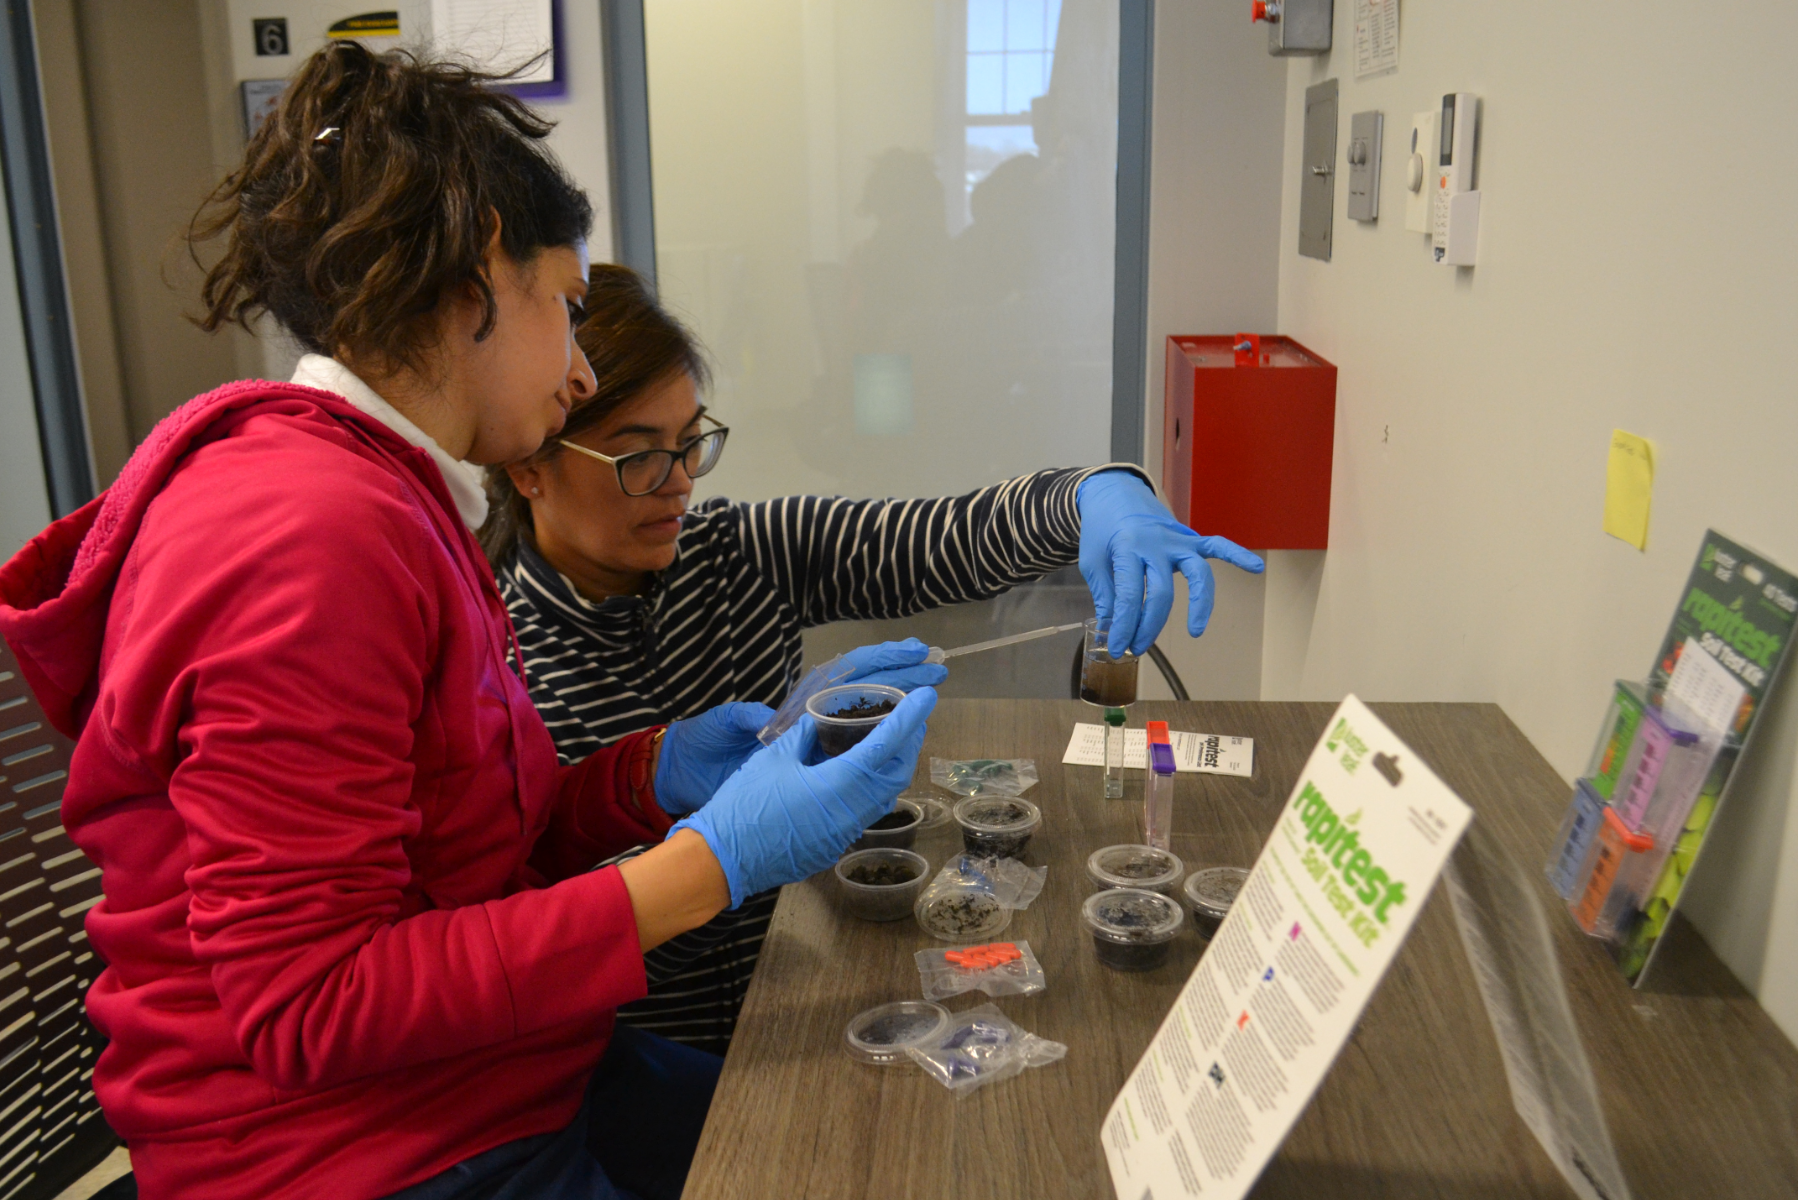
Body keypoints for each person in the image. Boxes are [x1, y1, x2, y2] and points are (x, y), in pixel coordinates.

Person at [0, 44, 933, 1200]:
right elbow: (311, 1006)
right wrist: (711, 865)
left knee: (863, 1141)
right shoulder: (309, 535)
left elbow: (451, 861)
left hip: (494, 1071)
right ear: (484, 267)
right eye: (570, 309)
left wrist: (649, 780)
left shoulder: (389, 495)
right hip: (352, 1153)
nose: (584, 374)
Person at [479, 265, 1265, 1055]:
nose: (680, 483)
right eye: (639, 457)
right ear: (529, 464)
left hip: (811, 986)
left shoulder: (741, 552)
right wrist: (726, 857)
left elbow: (951, 538)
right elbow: (549, 956)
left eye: (691, 443)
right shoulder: (495, 661)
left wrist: (1100, 493)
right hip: (631, 1054)